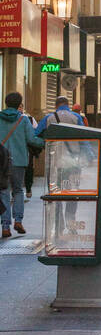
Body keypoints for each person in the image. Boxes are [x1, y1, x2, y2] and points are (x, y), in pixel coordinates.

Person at [1, 92, 44, 238]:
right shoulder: (23, 120)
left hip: (1, 161)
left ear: (6, 103)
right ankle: (18, 220)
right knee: (18, 190)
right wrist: (44, 142)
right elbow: (32, 139)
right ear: (19, 104)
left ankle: (5, 226)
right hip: (18, 160)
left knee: (4, 191)